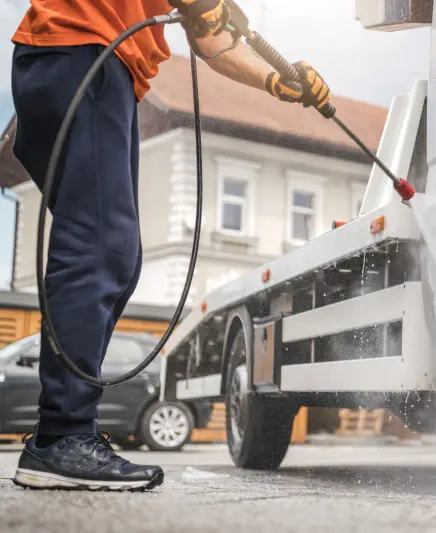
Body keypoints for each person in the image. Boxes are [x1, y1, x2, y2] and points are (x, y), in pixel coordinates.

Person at [9, 0, 330, 491]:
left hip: (88, 64)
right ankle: (61, 439)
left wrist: (276, 80)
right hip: (80, 48)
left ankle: (63, 435)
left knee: (117, 256)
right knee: (98, 248)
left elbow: (212, 38)